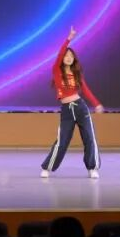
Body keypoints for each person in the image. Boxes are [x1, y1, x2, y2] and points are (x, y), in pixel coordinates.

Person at [40, 27, 103, 178]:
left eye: (71, 56)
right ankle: (47, 168)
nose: (68, 58)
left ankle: (92, 168)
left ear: (74, 59)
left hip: (81, 108)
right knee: (62, 141)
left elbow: (85, 90)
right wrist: (69, 38)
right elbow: (60, 53)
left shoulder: (77, 74)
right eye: (66, 55)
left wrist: (96, 104)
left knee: (89, 137)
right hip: (67, 110)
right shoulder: (56, 71)